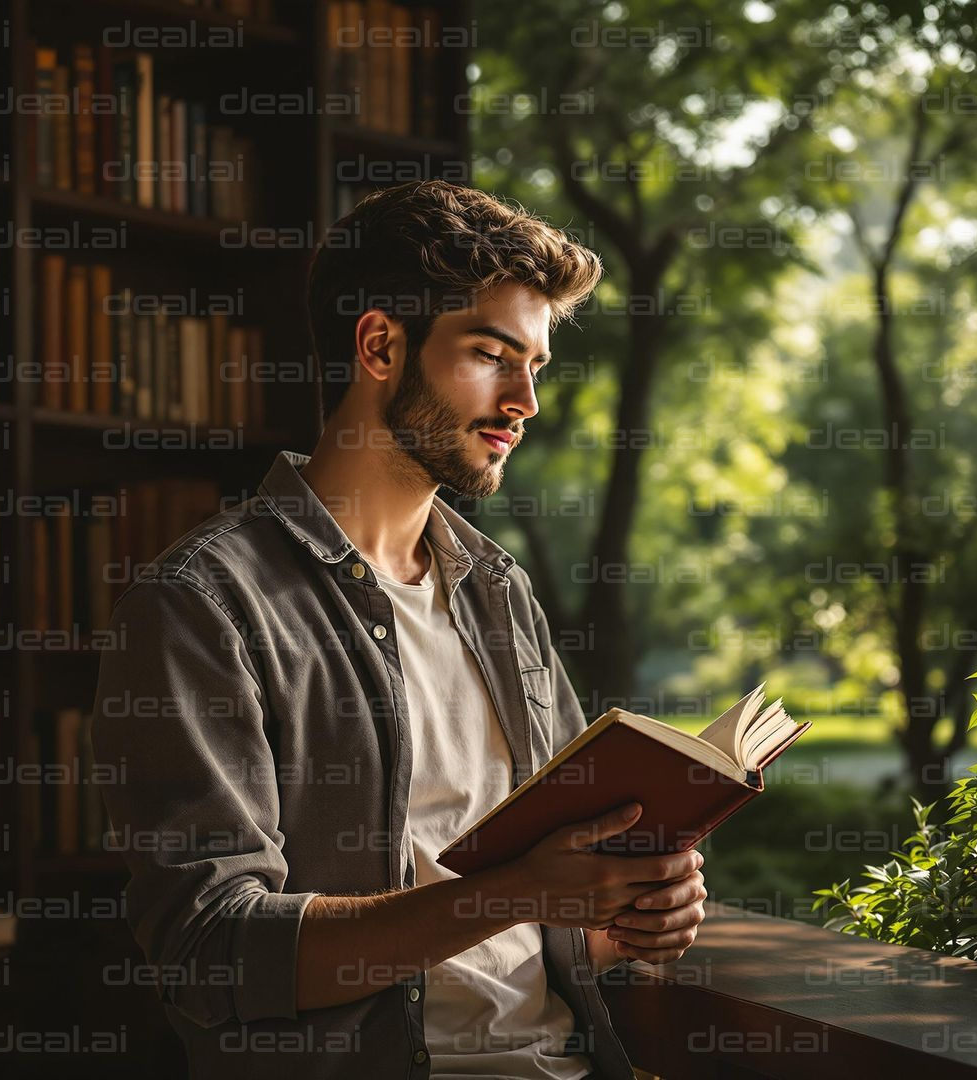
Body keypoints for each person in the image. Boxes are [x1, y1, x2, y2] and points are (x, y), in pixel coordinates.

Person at [91, 179, 707, 1080]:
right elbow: (212, 952)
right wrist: (520, 890)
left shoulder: (499, 594)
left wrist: (631, 911)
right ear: (380, 344)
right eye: (494, 355)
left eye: (535, 365)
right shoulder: (203, 604)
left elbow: (532, 933)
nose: (525, 400)